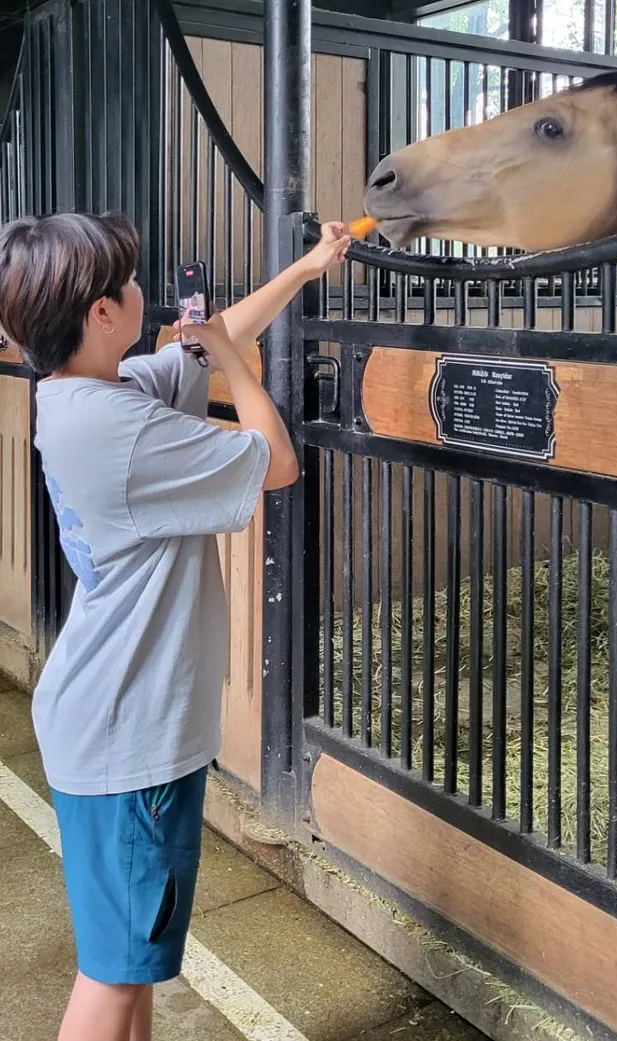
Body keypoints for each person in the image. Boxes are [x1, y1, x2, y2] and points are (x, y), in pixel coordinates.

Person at [0, 212, 350, 1041]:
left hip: (111, 719)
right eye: (124, 281)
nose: (138, 290)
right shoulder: (120, 429)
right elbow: (279, 461)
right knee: (114, 978)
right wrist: (235, 365)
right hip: (130, 734)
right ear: (100, 316)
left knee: (134, 963)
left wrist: (307, 268)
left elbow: (208, 337)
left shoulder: (86, 392)